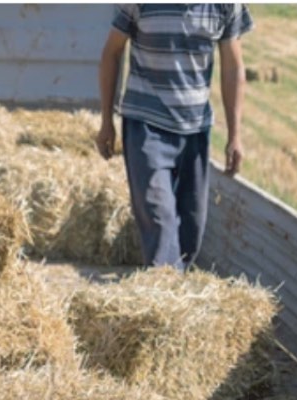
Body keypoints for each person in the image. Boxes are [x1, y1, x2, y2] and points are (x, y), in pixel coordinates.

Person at [97, 4, 253, 271]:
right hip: (146, 124)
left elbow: (233, 67)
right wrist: (106, 121)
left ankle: (173, 294)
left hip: (195, 129)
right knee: (161, 219)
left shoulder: (226, 5)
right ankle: (164, 294)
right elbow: (112, 53)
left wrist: (235, 135)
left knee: (192, 227)